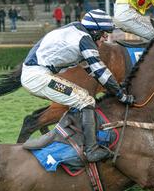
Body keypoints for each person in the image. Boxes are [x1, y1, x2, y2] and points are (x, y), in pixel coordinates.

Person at [20, 10, 135, 162]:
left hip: (37, 74)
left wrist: (115, 90)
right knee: (85, 101)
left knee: (80, 98)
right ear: (94, 31)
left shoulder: (76, 31)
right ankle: (91, 150)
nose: (106, 37)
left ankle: (68, 137)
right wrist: (121, 95)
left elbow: (91, 69)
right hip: (37, 76)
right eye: (104, 33)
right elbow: (100, 71)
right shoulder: (84, 39)